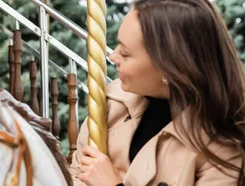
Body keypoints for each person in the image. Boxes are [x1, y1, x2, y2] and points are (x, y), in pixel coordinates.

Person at [69, 0, 245, 185]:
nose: (113, 57)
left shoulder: (222, 148)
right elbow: (74, 176)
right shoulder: (111, 105)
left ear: (169, 67)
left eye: (126, 54)